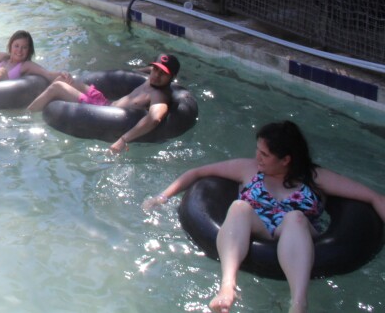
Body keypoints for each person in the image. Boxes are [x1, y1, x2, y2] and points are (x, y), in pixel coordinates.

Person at [144, 120, 385, 313]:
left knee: (295, 218)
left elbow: (374, 198)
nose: (257, 157)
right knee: (239, 206)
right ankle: (228, 287)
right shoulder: (248, 169)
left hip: (297, 232)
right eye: (257, 150)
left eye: (264, 154)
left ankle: (299, 304)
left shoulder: (314, 177)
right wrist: (161, 197)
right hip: (257, 226)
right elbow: (197, 172)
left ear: (286, 159)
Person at [27, 53, 180, 154]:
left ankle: (27, 114)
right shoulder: (151, 79)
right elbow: (151, 70)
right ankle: (37, 103)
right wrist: (138, 69)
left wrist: (123, 140)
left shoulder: (160, 95)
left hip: (100, 110)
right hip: (105, 102)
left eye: (163, 73)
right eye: (155, 70)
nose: (156, 75)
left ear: (171, 77)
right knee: (65, 79)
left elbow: (154, 119)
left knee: (57, 87)